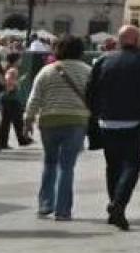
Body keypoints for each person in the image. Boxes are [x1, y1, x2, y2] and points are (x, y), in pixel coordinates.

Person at [85, 24, 140, 231]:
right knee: (133, 164)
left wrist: (97, 113)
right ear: (137, 40)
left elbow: (90, 91)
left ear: (119, 40)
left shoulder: (103, 60)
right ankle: (118, 204)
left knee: (112, 166)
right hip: (135, 121)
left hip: (107, 122)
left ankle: (115, 207)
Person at [24, 34, 94, 220]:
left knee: (50, 163)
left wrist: (28, 120)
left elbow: (34, 97)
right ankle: (63, 211)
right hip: (76, 120)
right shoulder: (88, 71)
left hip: (49, 120)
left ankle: (45, 204)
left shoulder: (46, 71)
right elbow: (94, 97)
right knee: (67, 166)